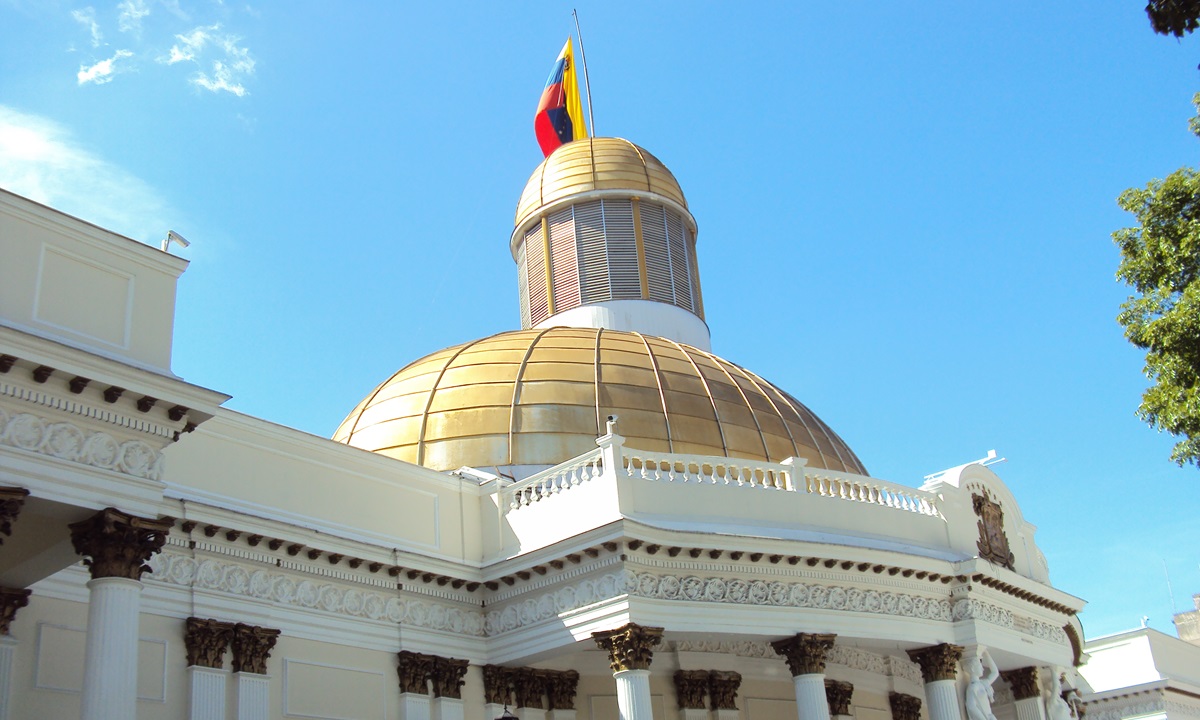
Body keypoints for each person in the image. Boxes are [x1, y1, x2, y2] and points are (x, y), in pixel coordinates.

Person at [964, 649, 1000, 720]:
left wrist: (987, 654)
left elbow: (995, 672)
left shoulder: (982, 683)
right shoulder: (973, 687)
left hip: (989, 716)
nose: (983, 669)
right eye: (980, 666)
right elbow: (971, 706)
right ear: (972, 668)